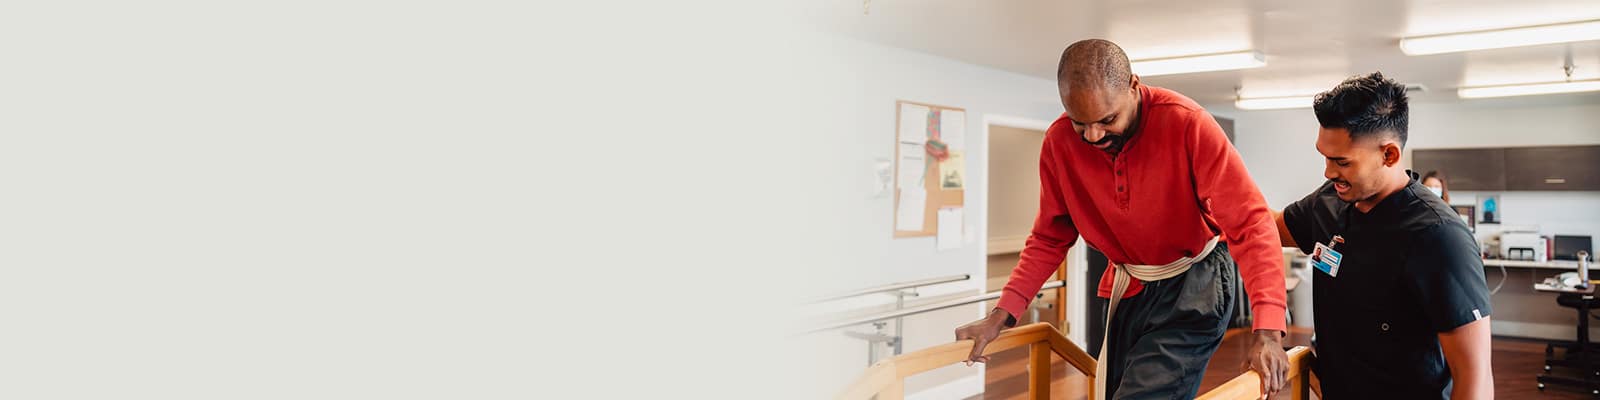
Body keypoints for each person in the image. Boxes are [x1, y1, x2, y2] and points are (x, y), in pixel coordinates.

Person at [953, 39, 1290, 399]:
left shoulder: (1188, 123)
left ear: (1133, 86)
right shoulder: (1058, 142)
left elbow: (1251, 223)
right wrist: (1002, 314)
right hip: (1129, 284)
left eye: (1107, 120)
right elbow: (1050, 237)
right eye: (1080, 123)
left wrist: (1268, 332)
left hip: (1195, 281)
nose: (1093, 135)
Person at [1273, 72, 1494, 399]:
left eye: (1341, 162)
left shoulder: (1439, 236)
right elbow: (1266, 228)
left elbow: (1475, 379)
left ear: (1389, 155)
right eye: (1325, 157)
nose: (1329, 172)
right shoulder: (1330, 201)